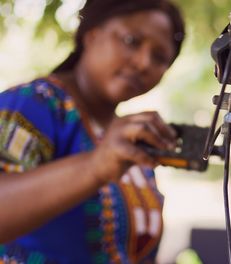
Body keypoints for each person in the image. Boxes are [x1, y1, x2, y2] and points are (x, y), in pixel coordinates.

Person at [0, 0, 185, 262]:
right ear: (91, 34)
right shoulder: (34, 104)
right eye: (132, 40)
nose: (144, 62)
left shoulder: (130, 138)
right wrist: (95, 166)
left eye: (159, 57)